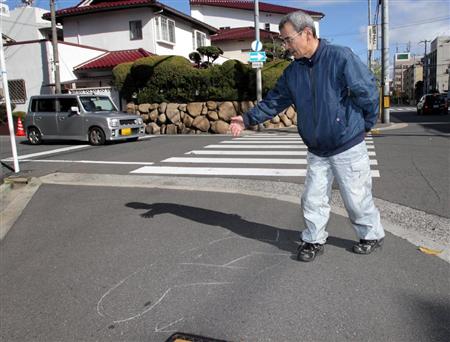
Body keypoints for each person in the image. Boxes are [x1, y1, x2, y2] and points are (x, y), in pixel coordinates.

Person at [230, 10, 385, 262]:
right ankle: (313, 239)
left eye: (288, 39)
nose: (286, 46)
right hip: (316, 147)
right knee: (312, 198)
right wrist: (247, 119)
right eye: (283, 41)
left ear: (307, 33)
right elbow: (275, 101)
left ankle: (371, 234)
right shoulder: (294, 72)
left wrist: (366, 123)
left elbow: (366, 91)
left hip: (347, 144)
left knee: (356, 198)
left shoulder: (340, 57)